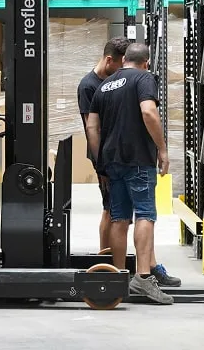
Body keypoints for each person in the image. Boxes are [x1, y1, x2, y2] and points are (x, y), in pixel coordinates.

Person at [85, 43, 181, 306]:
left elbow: (92, 126)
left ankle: (119, 276)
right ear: (146, 63)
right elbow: (148, 111)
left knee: (120, 218)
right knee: (146, 215)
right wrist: (161, 149)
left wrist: (100, 161)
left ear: (123, 59)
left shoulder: (104, 85)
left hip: (112, 160)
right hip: (138, 158)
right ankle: (143, 277)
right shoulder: (144, 78)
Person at [77, 37, 130, 251]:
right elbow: (91, 128)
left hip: (119, 154)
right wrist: (101, 165)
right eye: (120, 65)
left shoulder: (115, 81)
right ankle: (104, 258)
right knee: (110, 208)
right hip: (104, 157)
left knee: (117, 209)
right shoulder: (88, 87)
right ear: (109, 60)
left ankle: (111, 257)